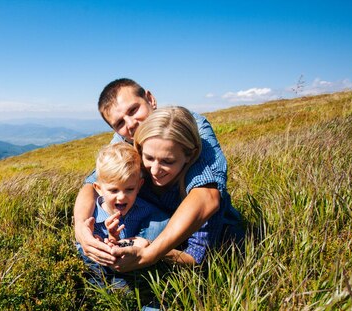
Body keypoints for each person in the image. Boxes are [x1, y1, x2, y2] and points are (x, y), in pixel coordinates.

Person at [74, 78, 241, 270]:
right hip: (154, 221)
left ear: (151, 99)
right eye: (119, 122)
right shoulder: (125, 138)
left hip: (200, 233)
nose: (131, 124)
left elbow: (207, 197)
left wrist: (149, 254)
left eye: (133, 110)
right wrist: (81, 229)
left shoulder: (190, 129)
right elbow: (94, 183)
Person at [76, 142, 168, 288]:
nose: (121, 197)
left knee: (126, 288)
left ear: (139, 186)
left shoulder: (145, 211)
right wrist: (105, 241)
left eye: (129, 189)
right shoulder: (92, 216)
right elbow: (86, 247)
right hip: (98, 264)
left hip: (130, 265)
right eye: (113, 190)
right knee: (91, 283)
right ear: (98, 189)